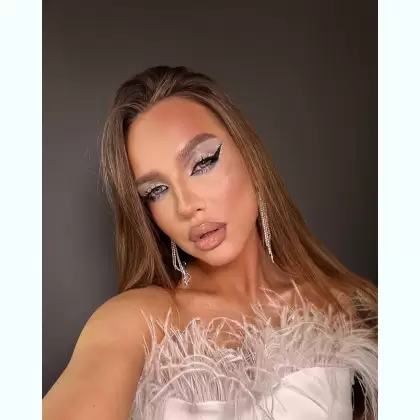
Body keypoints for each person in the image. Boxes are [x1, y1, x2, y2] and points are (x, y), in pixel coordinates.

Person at [43, 66, 378, 420]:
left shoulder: (341, 306)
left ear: (249, 155)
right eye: (157, 190)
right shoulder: (138, 323)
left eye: (203, 163)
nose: (186, 206)